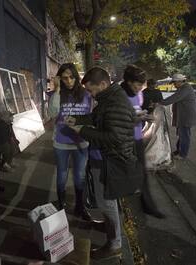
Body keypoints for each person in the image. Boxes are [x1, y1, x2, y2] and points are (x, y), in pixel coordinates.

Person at [66, 67, 141, 259]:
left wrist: (81, 130)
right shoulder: (108, 99)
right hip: (105, 159)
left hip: (111, 161)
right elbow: (97, 117)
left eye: (92, 90)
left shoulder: (116, 103)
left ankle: (114, 244)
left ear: (103, 84)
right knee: (106, 200)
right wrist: (79, 119)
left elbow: (114, 138)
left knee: (106, 201)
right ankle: (109, 227)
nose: (90, 94)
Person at [47, 63, 92, 221]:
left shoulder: (86, 94)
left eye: (71, 77)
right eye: (64, 78)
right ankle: (61, 204)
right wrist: (57, 90)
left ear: (76, 77)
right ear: (60, 79)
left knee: (80, 176)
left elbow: (91, 116)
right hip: (61, 142)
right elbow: (52, 114)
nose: (69, 81)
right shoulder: (56, 94)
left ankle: (80, 206)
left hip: (81, 142)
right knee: (62, 175)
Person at [121, 65, 165, 219]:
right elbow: (116, 120)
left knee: (142, 172)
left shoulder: (137, 94)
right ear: (127, 81)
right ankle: (120, 206)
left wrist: (145, 114)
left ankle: (148, 205)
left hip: (137, 138)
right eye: (137, 84)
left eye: (141, 85)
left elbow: (137, 109)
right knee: (123, 173)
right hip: (123, 141)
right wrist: (137, 118)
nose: (140, 88)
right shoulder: (119, 95)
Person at [159, 74, 196, 159]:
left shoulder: (186, 88)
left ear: (180, 81)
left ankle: (183, 154)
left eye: (175, 82)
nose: (174, 84)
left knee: (184, 135)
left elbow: (174, 98)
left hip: (186, 116)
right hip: (183, 116)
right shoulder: (182, 88)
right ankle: (179, 151)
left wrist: (160, 103)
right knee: (181, 134)